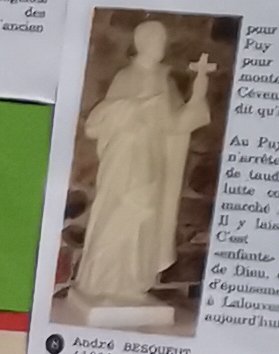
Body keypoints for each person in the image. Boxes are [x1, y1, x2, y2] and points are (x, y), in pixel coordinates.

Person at [67, 21, 220, 313]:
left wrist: (198, 96)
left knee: (144, 217)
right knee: (117, 212)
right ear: (142, 42)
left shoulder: (166, 82)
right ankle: (102, 281)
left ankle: (130, 284)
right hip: (124, 157)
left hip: (151, 159)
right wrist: (136, 107)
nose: (161, 46)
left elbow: (175, 125)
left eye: (163, 40)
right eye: (156, 40)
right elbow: (99, 123)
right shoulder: (126, 76)